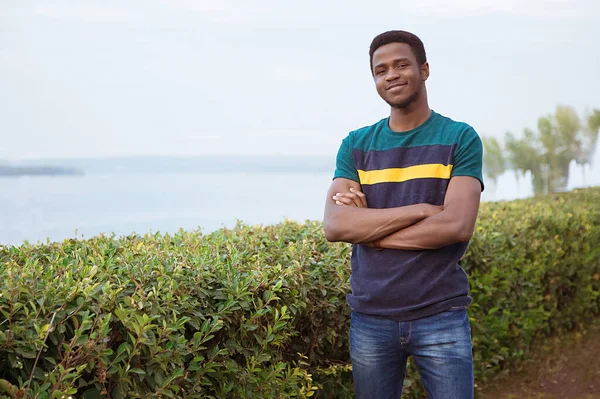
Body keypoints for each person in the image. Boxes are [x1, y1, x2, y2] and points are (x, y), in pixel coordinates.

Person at [323, 30, 484, 399]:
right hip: (370, 318)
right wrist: (421, 211)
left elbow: (457, 225)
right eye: (381, 70)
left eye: (400, 65)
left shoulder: (459, 138)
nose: (391, 75)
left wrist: (371, 231)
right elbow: (336, 225)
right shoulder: (356, 145)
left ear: (424, 70)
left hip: (440, 314)